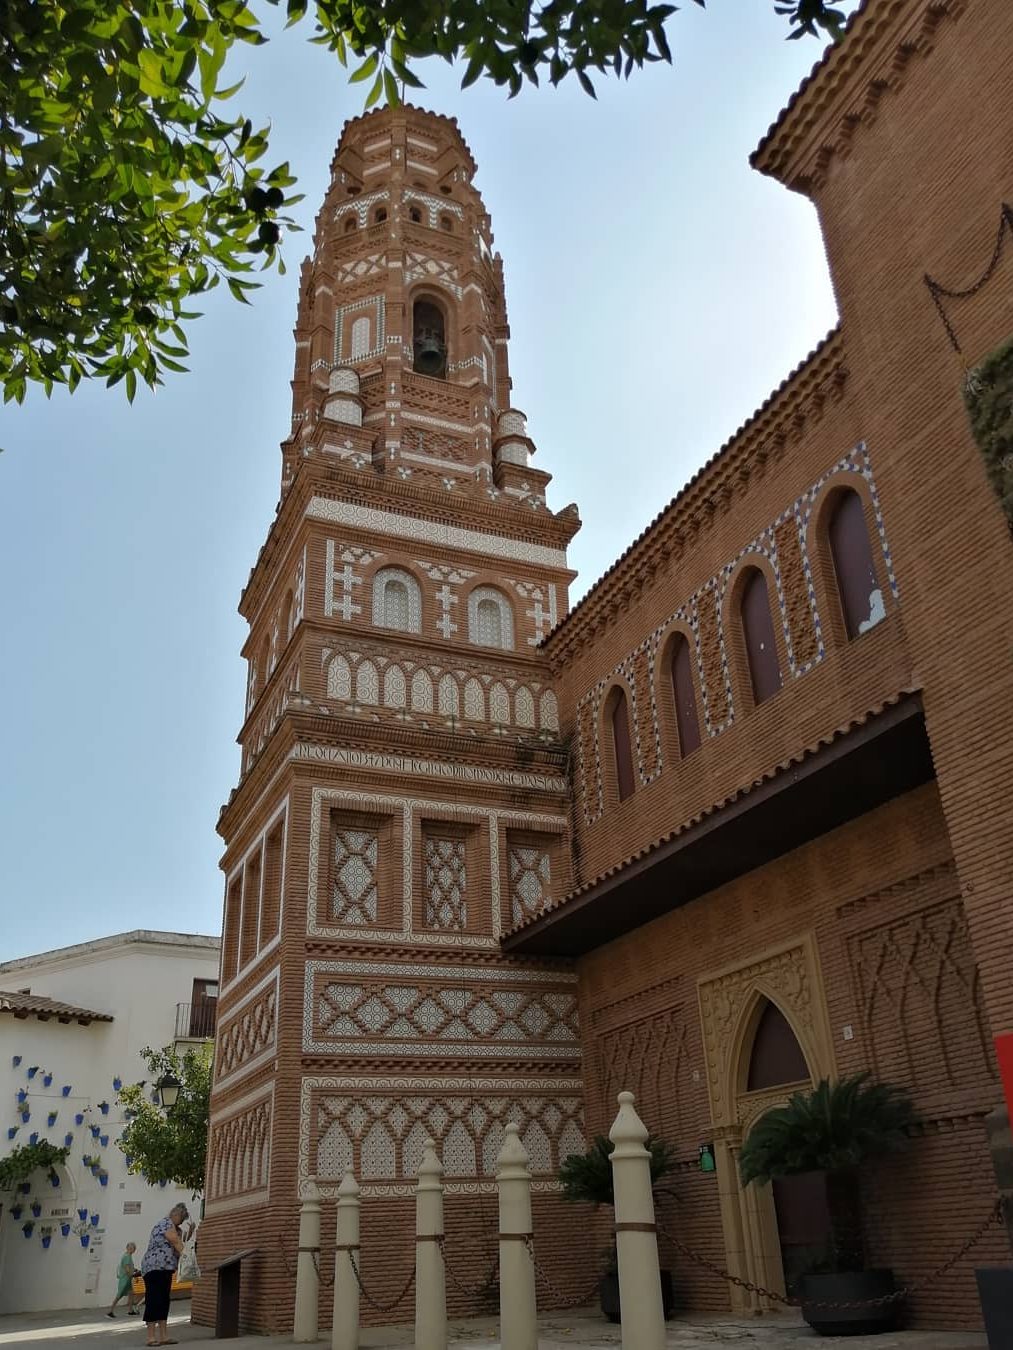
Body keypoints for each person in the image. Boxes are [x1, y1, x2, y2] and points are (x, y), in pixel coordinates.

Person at [139, 1203, 191, 1348]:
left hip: (166, 1268)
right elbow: (174, 1241)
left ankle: (163, 1336)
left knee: (163, 1300)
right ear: (176, 1214)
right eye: (181, 1218)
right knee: (154, 1299)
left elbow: (179, 1243)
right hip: (154, 1267)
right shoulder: (165, 1223)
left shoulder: (177, 1229)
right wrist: (189, 1257)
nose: (181, 1222)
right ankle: (150, 1336)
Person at [107, 1240, 139, 1317]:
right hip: (125, 1279)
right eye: (131, 1248)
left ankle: (130, 1310)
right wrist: (133, 1275)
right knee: (119, 1295)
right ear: (127, 1248)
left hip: (127, 1279)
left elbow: (129, 1267)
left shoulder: (127, 1256)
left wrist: (135, 1270)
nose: (132, 1250)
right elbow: (127, 1269)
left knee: (131, 1294)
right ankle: (110, 1311)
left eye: (133, 1248)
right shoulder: (127, 1257)